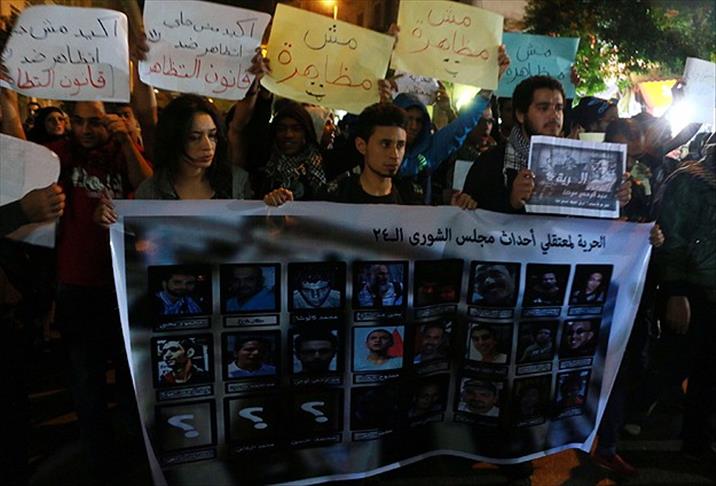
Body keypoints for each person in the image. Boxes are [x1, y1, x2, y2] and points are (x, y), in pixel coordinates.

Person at [49, 99, 152, 480]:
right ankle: (100, 466)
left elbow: (148, 187)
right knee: (86, 384)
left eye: (95, 122)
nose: (85, 130)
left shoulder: (124, 150)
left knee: (130, 382)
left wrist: (126, 142)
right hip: (77, 283)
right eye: (77, 122)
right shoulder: (60, 154)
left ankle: (134, 461)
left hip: (124, 282)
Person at [463, 75, 631, 213]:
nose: (554, 115)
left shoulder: (581, 164)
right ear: (521, 114)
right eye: (543, 108)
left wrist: (614, 200)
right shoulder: (489, 164)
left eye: (558, 108)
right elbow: (472, 223)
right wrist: (511, 201)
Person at [654, 142, 716, 460]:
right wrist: (676, 292)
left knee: (707, 373)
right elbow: (671, 240)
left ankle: (698, 441)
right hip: (694, 291)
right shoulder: (689, 180)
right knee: (678, 365)